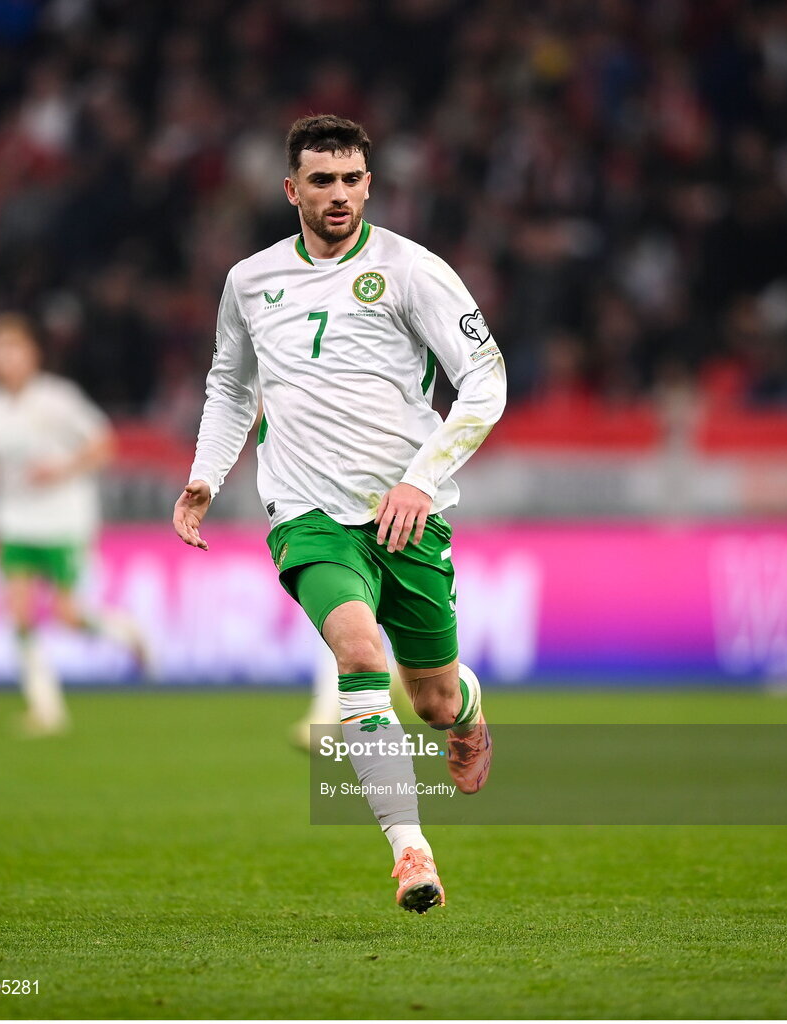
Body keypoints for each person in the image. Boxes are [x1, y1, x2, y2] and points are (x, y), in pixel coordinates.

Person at [173, 114, 506, 913]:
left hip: (406, 515)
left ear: (369, 184)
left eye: (352, 179)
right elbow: (230, 385)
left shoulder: (411, 270)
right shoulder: (250, 281)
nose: (339, 194)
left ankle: (466, 710)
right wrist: (204, 476)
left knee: (428, 696)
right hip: (305, 511)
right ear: (291, 190)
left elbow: (486, 381)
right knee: (357, 652)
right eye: (322, 180)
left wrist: (421, 481)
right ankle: (410, 852)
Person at [0, 313, 149, 735]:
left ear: (32, 353)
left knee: (67, 615)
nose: (4, 358)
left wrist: (61, 470)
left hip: (64, 517)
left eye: (12, 348)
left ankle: (126, 632)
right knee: (20, 609)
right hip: (12, 520)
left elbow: (105, 445)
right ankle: (45, 705)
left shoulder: (58, 398)